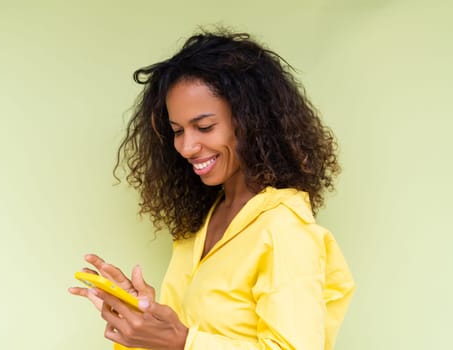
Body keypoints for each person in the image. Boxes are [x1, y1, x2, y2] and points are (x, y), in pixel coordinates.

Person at [69, 28, 355, 350]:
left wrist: (182, 342)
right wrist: (144, 322)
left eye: (204, 127)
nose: (188, 147)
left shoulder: (284, 228)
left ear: (251, 121)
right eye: (177, 131)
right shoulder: (199, 227)